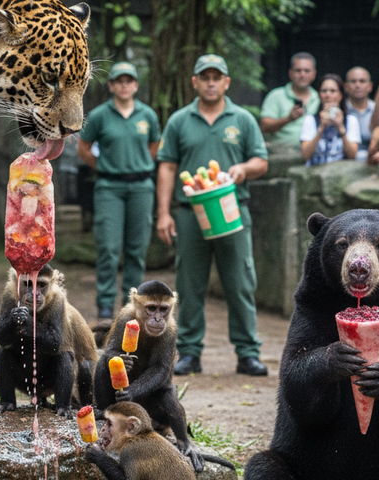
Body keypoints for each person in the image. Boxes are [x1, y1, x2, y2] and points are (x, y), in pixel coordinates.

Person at [156, 54, 269, 376]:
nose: (210, 83)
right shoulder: (179, 120)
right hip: (191, 213)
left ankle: (248, 353)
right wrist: (163, 213)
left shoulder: (242, 119)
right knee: (189, 284)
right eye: (204, 77)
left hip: (232, 211)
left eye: (216, 77)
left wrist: (243, 169)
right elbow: (167, 167)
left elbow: (261, 161)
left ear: (226, 82)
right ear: (195, 82)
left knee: (240, 282)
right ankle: (189, 352)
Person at [77, 62, 161, 319]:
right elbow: (84, 148)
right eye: (119, 81)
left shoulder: (147, 115)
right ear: (111, 85)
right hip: (109, 187)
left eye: (129, 81)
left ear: (135, 85)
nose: (124, 85)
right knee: (108, 247)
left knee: (137, 248)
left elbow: (154, 147)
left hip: (141, 187)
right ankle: (105, 303)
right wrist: (105, 167)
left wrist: (137, 165)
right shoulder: (100, 115)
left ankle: (132, 303)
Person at [259, 52, 320, 149]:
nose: (302, 74)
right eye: (298, 70)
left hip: (311, 154)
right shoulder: (276, 96)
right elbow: (264, 126)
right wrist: (288, 119)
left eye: (307, 71)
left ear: (313, 74)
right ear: (290, 73)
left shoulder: (319, 98)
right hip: (280, 154)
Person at [300, 74, 360, 165]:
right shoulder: (310, 120)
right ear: (319, 95)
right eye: (324, 91)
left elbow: (352, 155)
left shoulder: (351, 120)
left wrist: (341, 128)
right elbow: (306, 156)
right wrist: (321, 129)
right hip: (315, 169)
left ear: (340, 95)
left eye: (333, 91)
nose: (328, 95)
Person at [345, 67, 375, 161]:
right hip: (345, 161)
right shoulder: (341, 111)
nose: (357, 85)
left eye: (362, 81)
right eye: (353, 81)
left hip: (373, 160)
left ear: (370, 86)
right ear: (346, 86)